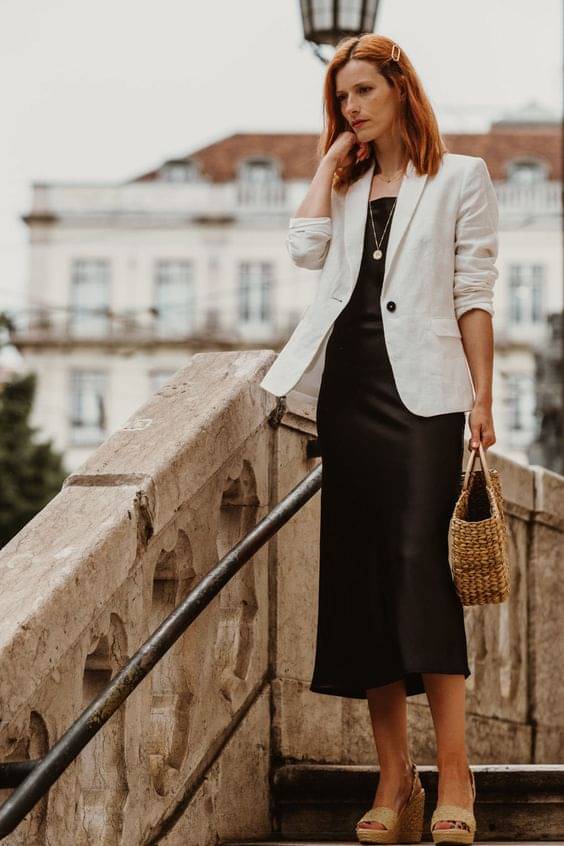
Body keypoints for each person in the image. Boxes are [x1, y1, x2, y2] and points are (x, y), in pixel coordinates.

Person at [259, 33, 498, 846]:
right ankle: (395, 777)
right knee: (362, 581)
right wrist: (330, 164)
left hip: (426, 399)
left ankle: (456, 772)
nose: (351, 108)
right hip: (351, 396)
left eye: (361, 92)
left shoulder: (460, 177)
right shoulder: (349, 181)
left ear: (400, 88)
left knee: (421, 572)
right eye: (340, 98)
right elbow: (302, 250)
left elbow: (473, 291)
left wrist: (482, 399)